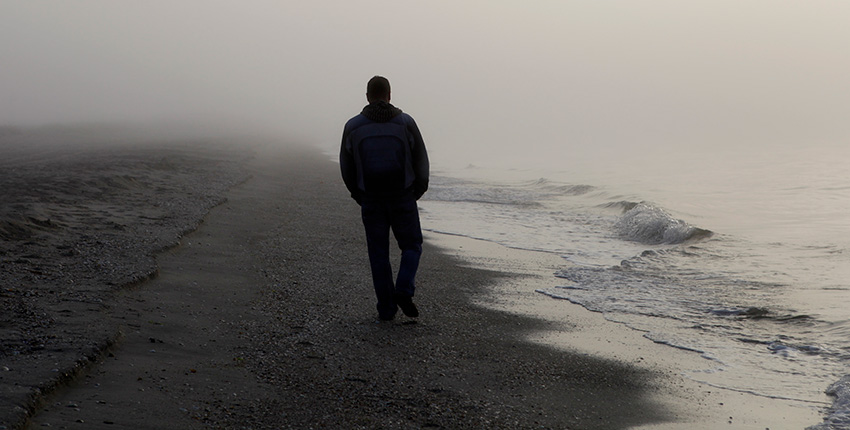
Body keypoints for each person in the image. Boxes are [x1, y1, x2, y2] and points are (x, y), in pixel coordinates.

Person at [340, 76, 429, 321]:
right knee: (411, 246)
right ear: (389, 95)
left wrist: (358, 194)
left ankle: (387, 309)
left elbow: (346, 166)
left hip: (371, 198)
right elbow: (421, 158)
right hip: (403, 196)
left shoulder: (353, 126)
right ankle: (404, 288)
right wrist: (417, 191)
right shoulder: (405, 122)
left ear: (367, 96)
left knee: (378, 254)